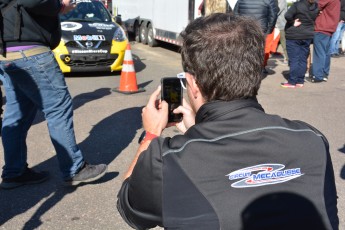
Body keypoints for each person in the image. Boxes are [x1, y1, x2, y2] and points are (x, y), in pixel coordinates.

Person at [116, 13, 339, 229]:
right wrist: (199, 131)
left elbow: (130, 208)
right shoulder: (312, 140)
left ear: (192, 84)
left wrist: (151, 135)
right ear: (255, 70)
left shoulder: (167, 161)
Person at [0, 0, 107, 189]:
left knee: (17, 113)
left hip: (6, 50)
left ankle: (14, 172)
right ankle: (74, 169)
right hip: (30, 50)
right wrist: (60, 5)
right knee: (58, 107)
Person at [233, 0, 279, 73]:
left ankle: (244, 69)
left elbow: (235, 14)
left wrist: (237, 26)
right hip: (260, 29)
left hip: (244, 28)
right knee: (258, 50)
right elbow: (273, 15)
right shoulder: (269, 1)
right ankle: (257, 69)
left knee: (244, 49)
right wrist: (269, 30)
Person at [281, 0, 319, 88]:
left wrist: (292, 22)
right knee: (302, 58)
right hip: (307, 34)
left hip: (294, 35)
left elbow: (287, 15)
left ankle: (292, 81)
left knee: (294, 59)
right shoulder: (316, 6)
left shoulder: (297, 5)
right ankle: (300, 80)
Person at [306, 0, 340, 83]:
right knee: (326, 52)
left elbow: (315, 7)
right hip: (330, 28)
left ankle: (317, 76)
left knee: (319, 53)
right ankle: (324, 74)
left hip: (322, 27)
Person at [276, 0, 288, 64]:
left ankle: (287, 58)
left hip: (281, 25)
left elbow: (276, 11)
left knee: (284, 42)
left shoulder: (282, 1)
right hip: (278, 24)